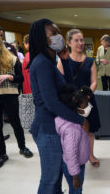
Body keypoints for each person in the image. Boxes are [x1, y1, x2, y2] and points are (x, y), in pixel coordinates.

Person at [28, 19, 89, 194]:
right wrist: (79, 120)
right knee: (50, 180)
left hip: (56, 126)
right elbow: (51, 103)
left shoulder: (51, 61)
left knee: (56, 179)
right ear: (42, 38)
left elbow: (69, 88)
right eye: (53, 34)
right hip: (47, 129)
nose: (58, 37)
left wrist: (66, 61)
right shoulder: (42, 63)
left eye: (58, 32)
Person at [57, 28, 101, 167]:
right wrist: (73, 98)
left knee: (89, 129)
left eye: (81, 40)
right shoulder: (63, 61)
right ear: (69, 43)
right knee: (71, 130)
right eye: (76, 40)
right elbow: (61, 82)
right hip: (71, 103)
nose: (80, 43)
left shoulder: (90, 61)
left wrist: (87, 96)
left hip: (87, 101)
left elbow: (94, 81)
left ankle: (90, 155)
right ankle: (72, 155)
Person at [0, 29, 33, 170]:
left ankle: (23, 147)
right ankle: (2, 154)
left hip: (10, 95)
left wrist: (8, 77)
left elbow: (21, 78)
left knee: (16, 123)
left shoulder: (12, 58)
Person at [55, 84, 91, 194]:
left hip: (76, 163)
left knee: (76, 189)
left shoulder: (71, 120)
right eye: (85, 104)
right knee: (76, 190)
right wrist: (75, 176)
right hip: (75, 167)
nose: (88, 107)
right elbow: (70, 154)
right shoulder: (73, 130)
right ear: (76, 107)